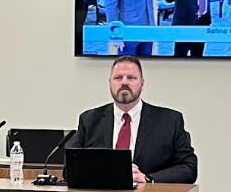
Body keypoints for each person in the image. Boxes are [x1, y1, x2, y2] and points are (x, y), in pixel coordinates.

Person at [74, 56, 198, 184]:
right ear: (110, 82)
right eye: (118, 78)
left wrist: (147, 179)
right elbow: (70, 169)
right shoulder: (89, 120)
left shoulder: (170, 121)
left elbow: (189, 168)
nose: (124, 83)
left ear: (142, 83)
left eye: (131, 78)